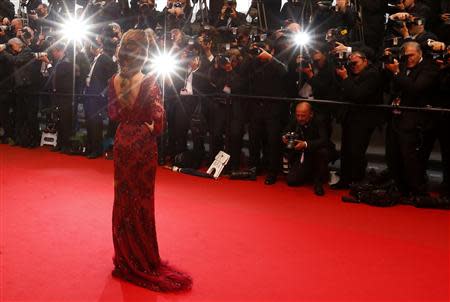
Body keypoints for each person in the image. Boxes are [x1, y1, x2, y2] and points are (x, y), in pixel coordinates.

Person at [108, 29, 192, 292]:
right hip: (142, 144)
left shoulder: (113, 80)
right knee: (141, 200)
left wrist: (129, 120)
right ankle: (142, 259)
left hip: (122, 140)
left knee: (123, 198)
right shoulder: (149, 81)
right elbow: (159, 122)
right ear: (143, 54)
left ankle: (125, 258)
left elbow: (112, 114)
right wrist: (148, 128)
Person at [283, 102, 330, 196]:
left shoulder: (320, 120)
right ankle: (308, 174)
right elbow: (285, 131)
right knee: (291, 181)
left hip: (316, 152)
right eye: (298, 115)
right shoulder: (294, 119)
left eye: (303, 116)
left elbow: (324, 140)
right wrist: (284, 137)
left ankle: (318, 182)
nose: (300, 118)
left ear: (311, 114)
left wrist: (305, 144)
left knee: (323, 152)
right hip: (301, 154)